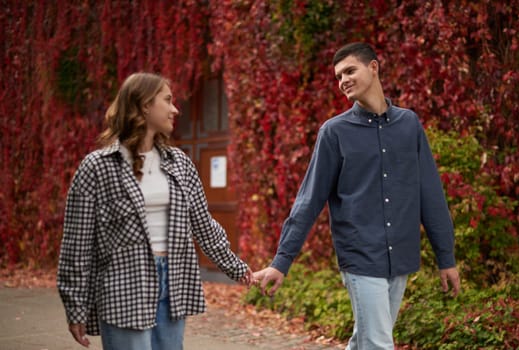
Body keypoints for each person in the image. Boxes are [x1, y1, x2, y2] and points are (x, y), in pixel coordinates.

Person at [253, 42, 460, 349]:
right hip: (360, 257)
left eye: (350, 70)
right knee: (378, 343)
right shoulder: (334, 133)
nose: (343, 81)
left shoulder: (409, 125)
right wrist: (281, 261)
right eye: (338, 76)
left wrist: (447, 258)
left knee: (365, 340)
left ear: (373, 68)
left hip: (400, 256)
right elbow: (309, 200)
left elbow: (430, 194)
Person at [57, 72, 255, 350]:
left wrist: (237, 268)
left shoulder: (180, 164)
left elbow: (203, 224)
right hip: (123, 284)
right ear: (145, 105)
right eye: (168, 100)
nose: (175, 109)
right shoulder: (97, 166)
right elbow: (77, 244)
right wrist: (75, 307)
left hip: (173, 282)